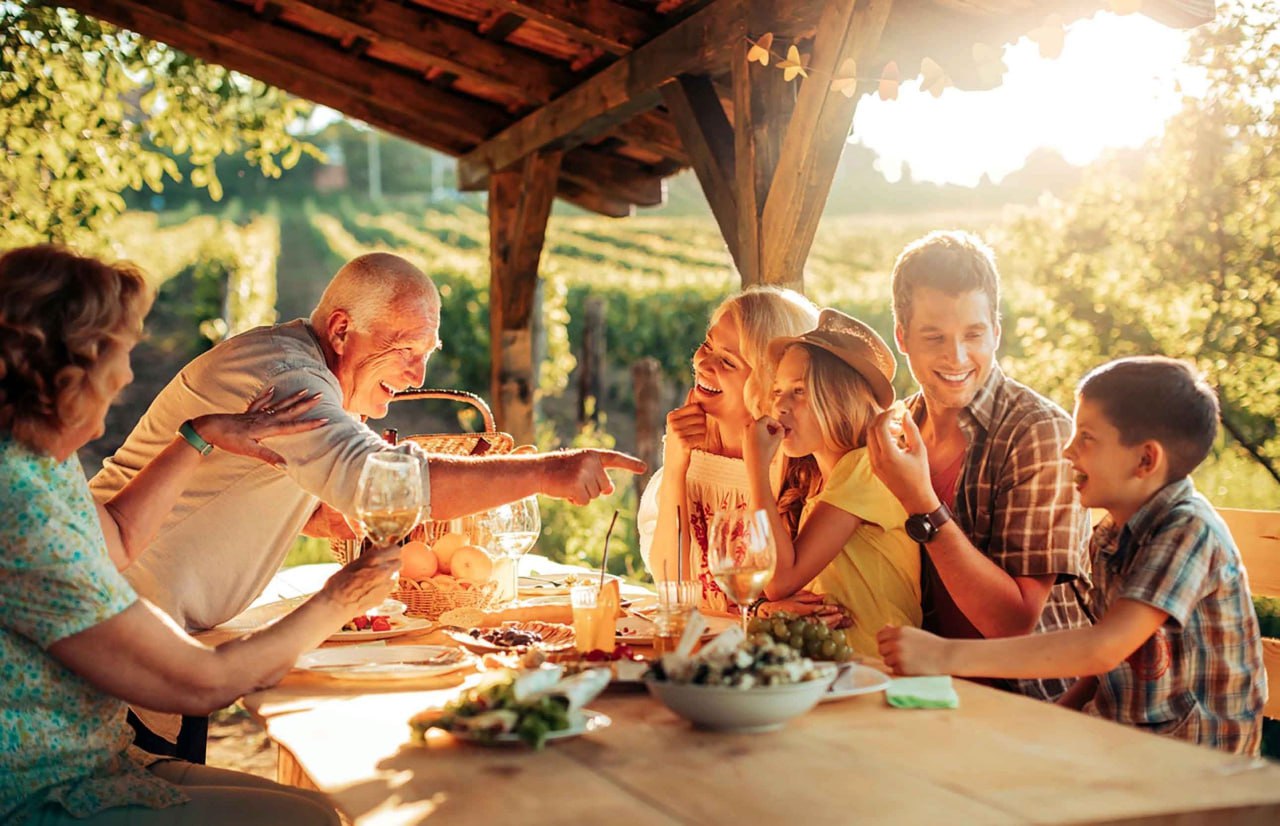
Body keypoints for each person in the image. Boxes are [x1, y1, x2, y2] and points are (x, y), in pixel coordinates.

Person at [0, 245, 401, 824]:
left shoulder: (34, 460)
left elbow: (117, 538)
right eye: (121, 353)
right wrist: (341, 599)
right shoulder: (22, 510)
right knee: (310, 820)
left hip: (92, 754)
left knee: (317, 808)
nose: (128, 375)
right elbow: (201, 684)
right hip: (40, 789)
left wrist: (200, 435)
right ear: (69, 369)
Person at [90, 251, 645, 633]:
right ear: (340, 331)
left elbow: (237, 476)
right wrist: (548, 473)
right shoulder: (290, 380)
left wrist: (311, 515)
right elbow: (391, 482)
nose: (418, 376)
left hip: (137, 614)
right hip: (109, 612)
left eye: (427, 353)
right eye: (406, 350)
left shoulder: (307, 370)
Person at [878, 357, 1266, 755]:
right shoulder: (1110, 537)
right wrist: (1051, 719)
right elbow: (1106, 667)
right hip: (1122, 745)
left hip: (1195, 764)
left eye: (1087, 438)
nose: (1067, 449)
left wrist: (944, 655)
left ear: (1145, 460)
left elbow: (1103, 648)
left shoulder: (1188, 530)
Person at [866, 230, 1091, 702]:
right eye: (934, 337)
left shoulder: (1038, 433)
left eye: (973, 335)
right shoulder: (895, 432)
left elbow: (1014, 623)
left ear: (996, 332)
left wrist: (921, 503)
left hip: (1028, 703)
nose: (957, 357)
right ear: (902, 337)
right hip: (919, 690)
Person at [744, 309, 922, 658]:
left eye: (799, 391)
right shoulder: (820, 483)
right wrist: (770, 609)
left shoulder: (865, 467)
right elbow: (776, 586)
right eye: (778, 390)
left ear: (840, 399)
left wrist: (756, 468)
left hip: (878, 667)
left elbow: (779, 579)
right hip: (835, 666)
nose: (780, 405)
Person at [638, 287, 821, 613]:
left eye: (727, 361)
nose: (703, 363)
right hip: (696, 637)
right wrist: (676, 463)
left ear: (769, 380)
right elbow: (671, 587)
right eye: (707, 346)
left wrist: (760, 613)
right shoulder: (689, 450)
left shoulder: (796, 468)